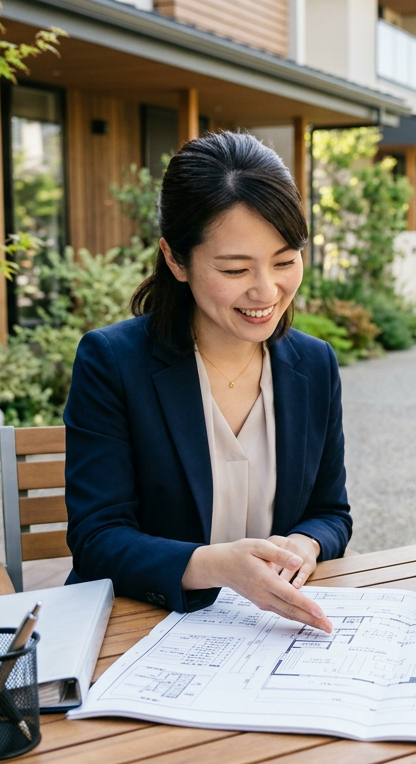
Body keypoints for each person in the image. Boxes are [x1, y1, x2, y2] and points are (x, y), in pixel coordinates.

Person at [63, 132, 350, 633]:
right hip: (140, 627)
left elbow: (330, 511)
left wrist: (307, 543)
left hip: (266, 634)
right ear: (176, 260)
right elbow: (98, 538)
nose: (266, 290)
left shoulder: (314, 364)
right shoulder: (112, 362)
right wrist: (218, 567)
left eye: (284, 261)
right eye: (235, 268)